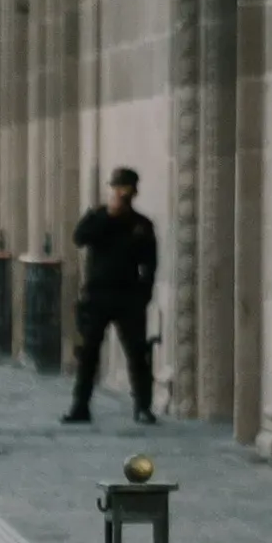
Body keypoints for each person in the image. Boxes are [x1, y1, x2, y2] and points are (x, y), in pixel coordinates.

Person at [62, 167, 158, 427]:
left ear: (134, 192)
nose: (121, 194)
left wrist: (143, 295)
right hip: (97, 295)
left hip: (128, 296)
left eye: (125, 189)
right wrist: (108, 214)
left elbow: (150, 263)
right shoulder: (97, 217)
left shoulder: (141, 224)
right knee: (88, 353)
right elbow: (79, 237)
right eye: (117, 188)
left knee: (136, 353)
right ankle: (80, 406)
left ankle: (143, 406)